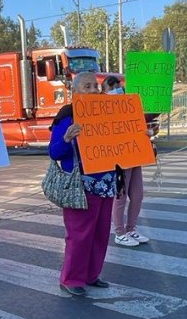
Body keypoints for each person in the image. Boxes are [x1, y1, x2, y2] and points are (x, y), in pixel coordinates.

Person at [50, 73, 117, 295]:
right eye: (87, 86)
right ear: (75, 92)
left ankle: (91, 275)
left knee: (100, 233)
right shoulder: (66, 117)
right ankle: (71, 279)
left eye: (95, 86)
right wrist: (67, 139)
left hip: (105, 182)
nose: (93, 90)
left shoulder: (108, 114)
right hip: (80, 185)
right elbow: (54, 152)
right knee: (79, 234)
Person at [106, 75, 152, 248]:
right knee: (120, 197)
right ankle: (119, 232)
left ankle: (131, 228)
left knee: (138, 195)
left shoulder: (130, 107)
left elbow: (140, 126)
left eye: (118, 87)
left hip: (134, 156)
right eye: (111, 88)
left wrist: (146, 133)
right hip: (117, 160)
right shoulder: (103, 110)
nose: (116, 91)